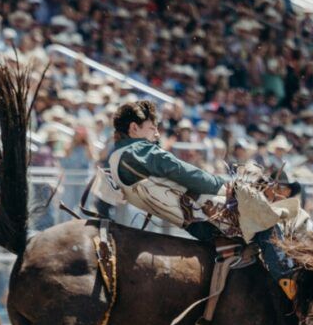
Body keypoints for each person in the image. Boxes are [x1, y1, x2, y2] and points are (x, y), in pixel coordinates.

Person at [97, 100, 300, 298]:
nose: (157, 134)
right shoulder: (138, 150)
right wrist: (223, 186)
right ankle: (289, 280)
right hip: (207, 213)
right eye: (152, 128)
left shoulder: (115, 159)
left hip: (193, 224)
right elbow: (180, 171)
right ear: (134, 128)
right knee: (266, 221)